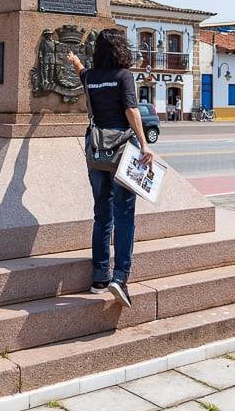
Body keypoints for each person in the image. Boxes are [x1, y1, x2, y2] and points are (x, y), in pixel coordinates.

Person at [66, 30, 154, 308]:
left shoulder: (91, 77)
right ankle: (120, 277)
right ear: (120, 49)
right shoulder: (123, 76)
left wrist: (74, 60)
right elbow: (131, 110)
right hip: (122, 150)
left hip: (96, 150)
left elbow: (81, 72)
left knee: (102, 213)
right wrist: (144, 144)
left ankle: (100, 277)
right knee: (124, 216)